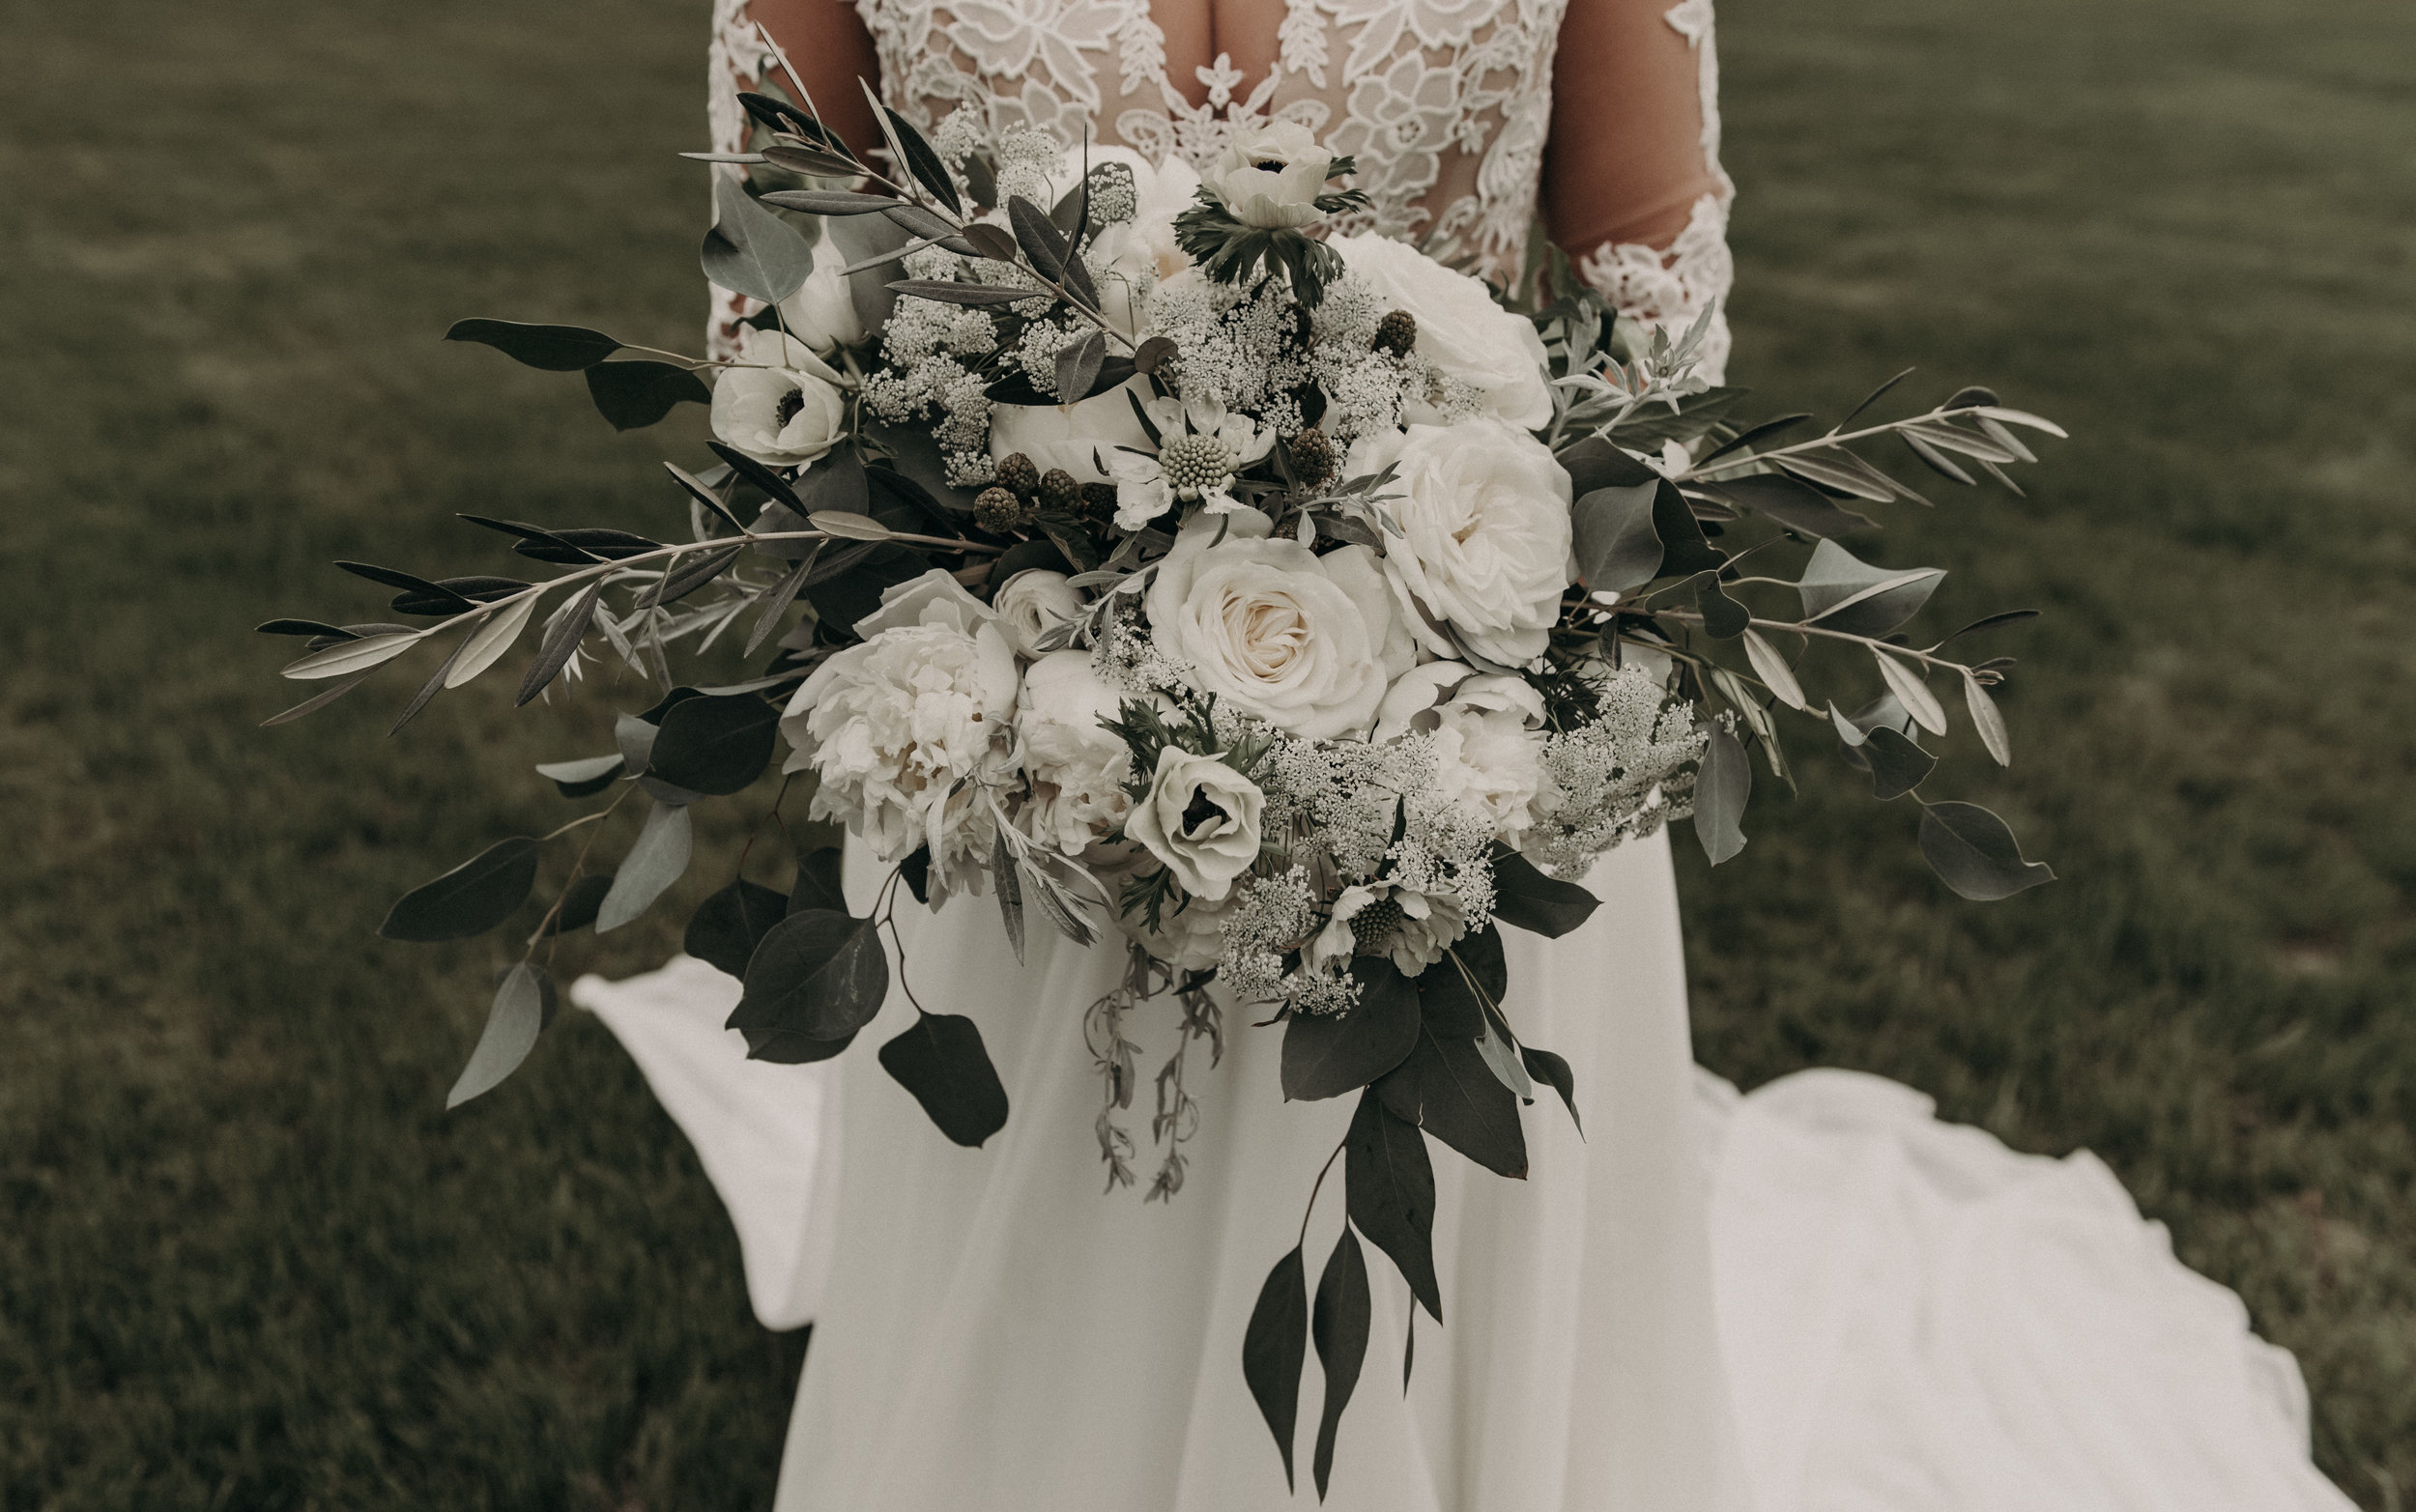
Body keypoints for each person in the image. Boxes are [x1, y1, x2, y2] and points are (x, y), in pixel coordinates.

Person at [579, 3, 2357, 1506]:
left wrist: (1422, 623)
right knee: (1041, 1303)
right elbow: (786, 323)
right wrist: (1044, 621)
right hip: (1024, 768)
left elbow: (1647, 337)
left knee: (1431, 1349)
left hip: (1466, 743)